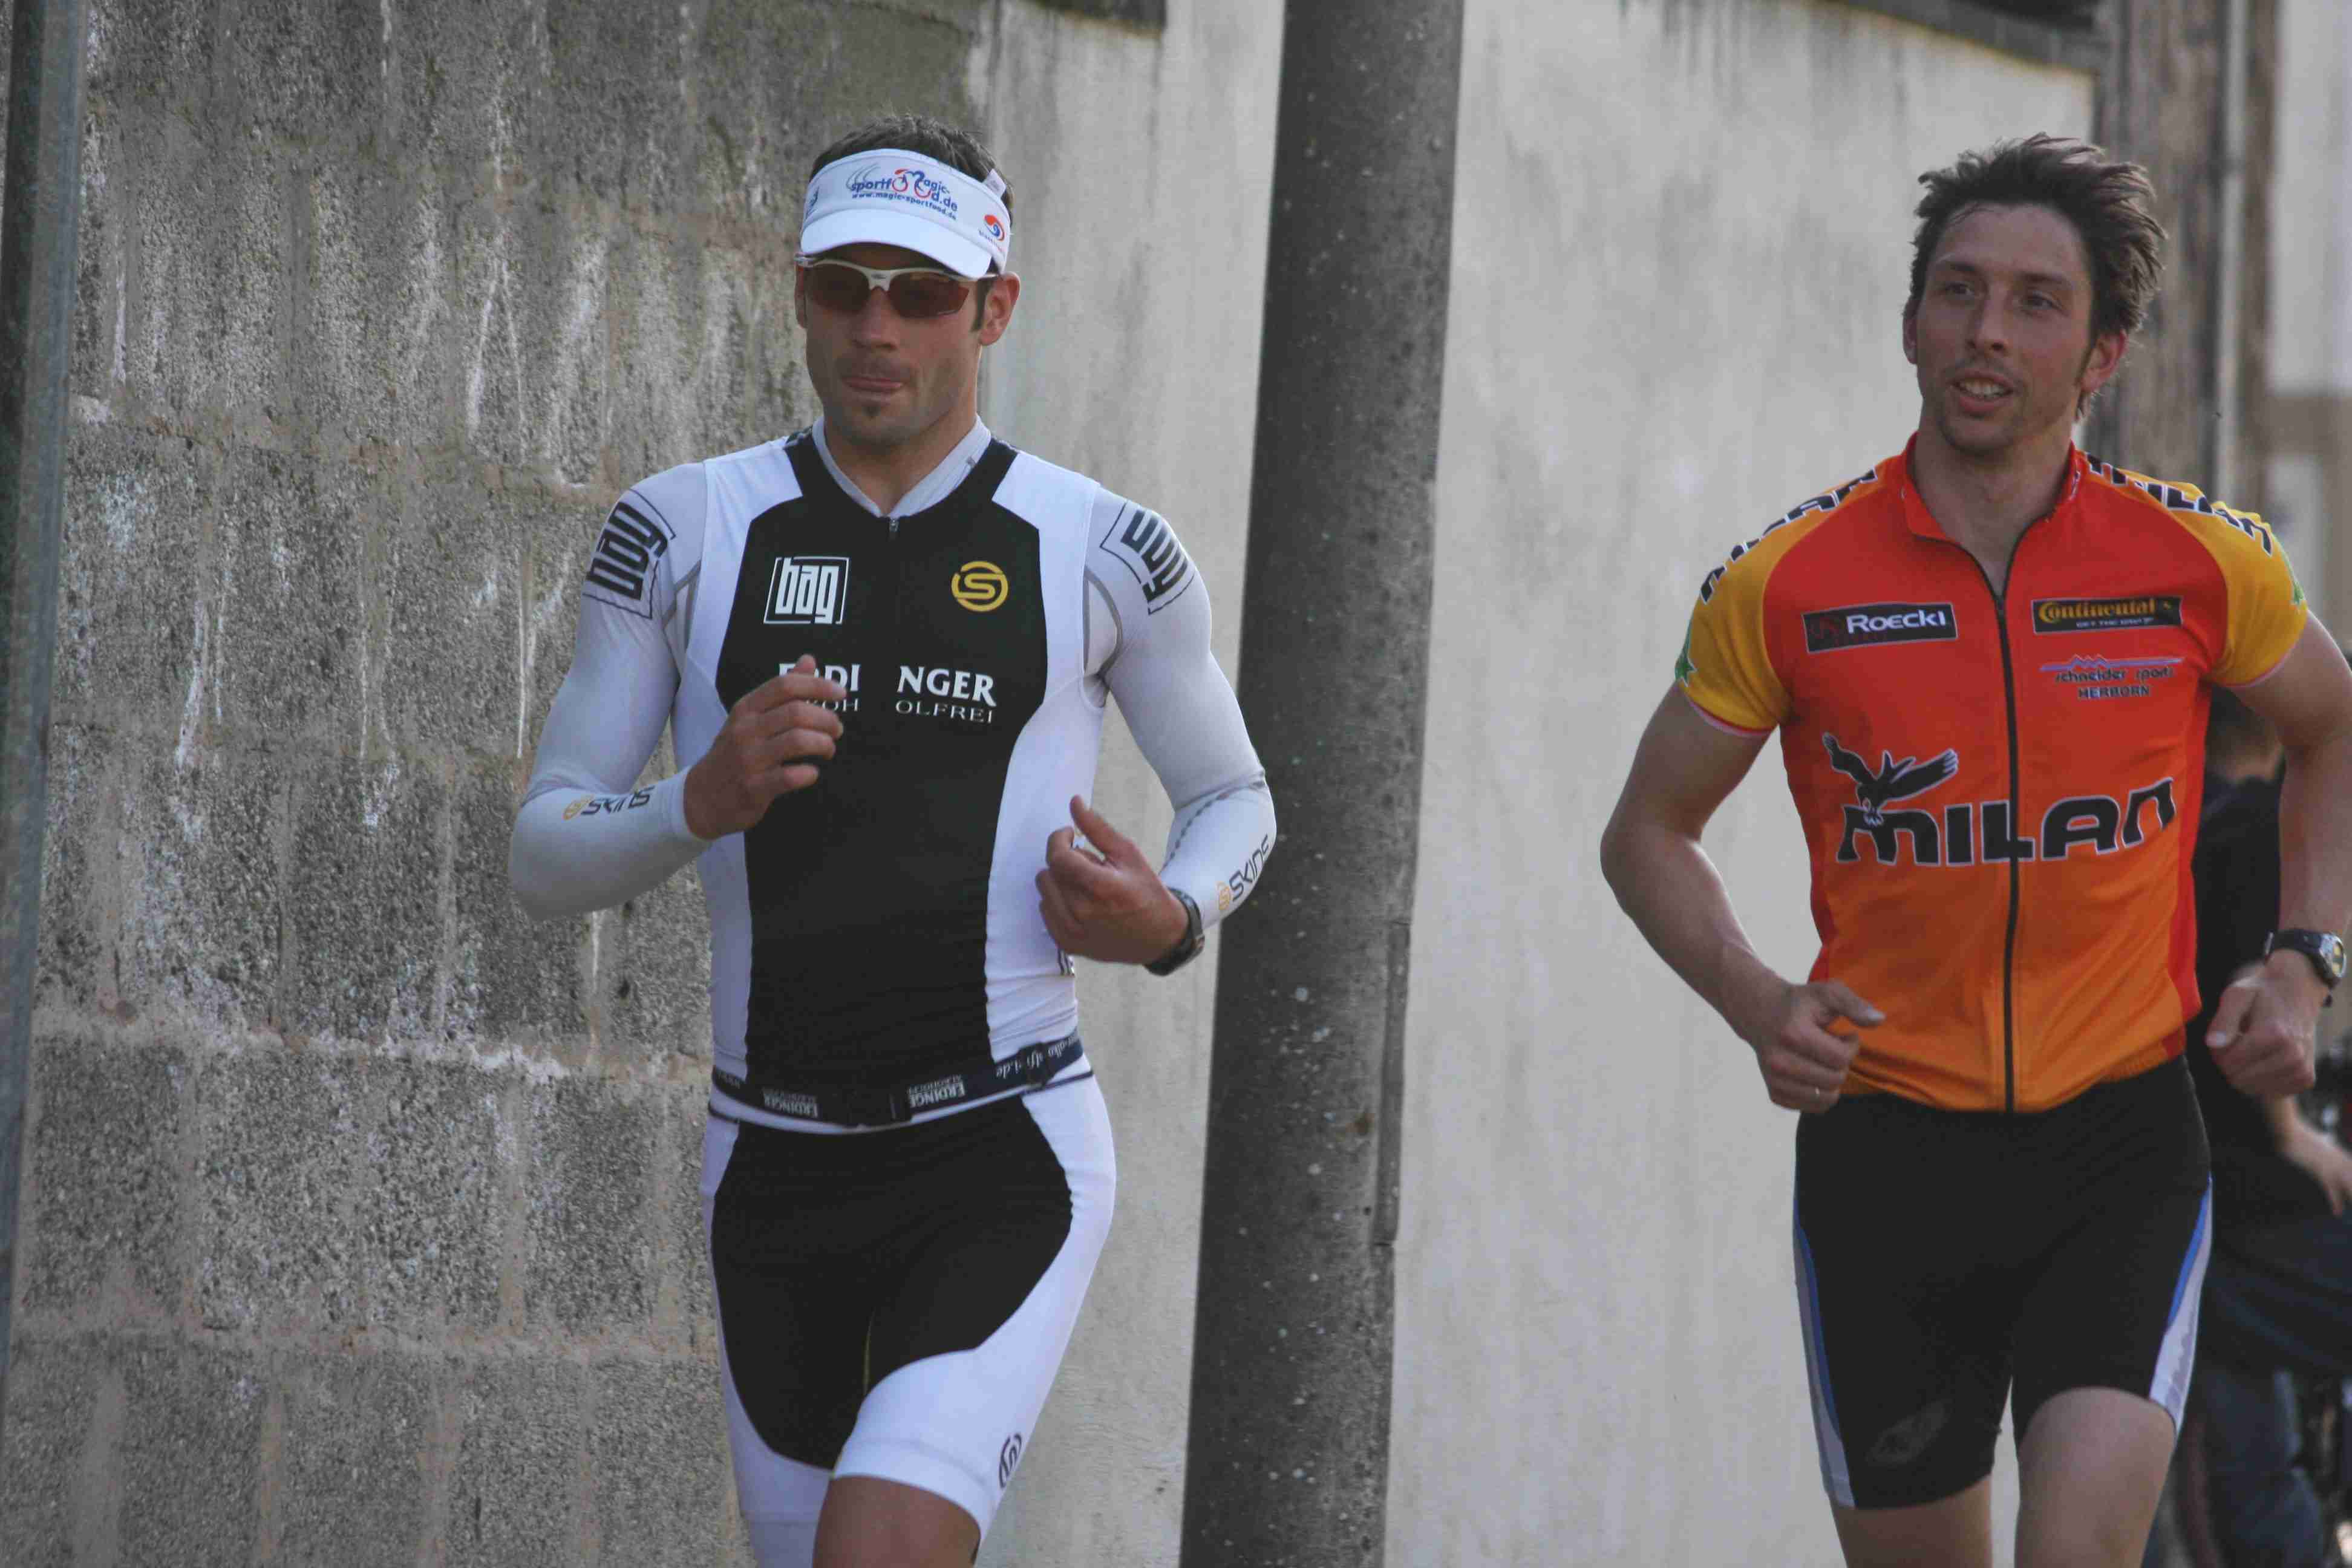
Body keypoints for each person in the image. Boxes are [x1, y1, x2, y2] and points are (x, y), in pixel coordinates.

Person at [508, 114, 1276, 1568]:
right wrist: (694, 802)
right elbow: (541, 851)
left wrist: (1173, 918)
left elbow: (1236, 797)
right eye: (841, 288)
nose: (877, 330)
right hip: (770, 1162)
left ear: (994, 309)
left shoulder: (1104, 545)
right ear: (798, 292)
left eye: (921, 295)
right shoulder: (681, 528)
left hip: (1002, 1148)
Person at [1599, 133, 2352, 1568]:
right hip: (1889, 1159)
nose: (1986, 331)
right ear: (1910, 325)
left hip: (2119, 1145)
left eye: (2034, 301)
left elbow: (2335, 729)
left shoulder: (2199, 563)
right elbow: (1648, 832)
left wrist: (2304, 962)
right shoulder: (1790, 584)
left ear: (2104, 353)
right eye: (1958, 292)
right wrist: (1758, 1002)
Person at [2175, 685, 2352, 1567]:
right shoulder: (2255, 823)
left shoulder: (2175, 821)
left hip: (2190, 1190)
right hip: (2238, 1196)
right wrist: (2290, 1136)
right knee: (2233, 1331)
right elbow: (2258, 998)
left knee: (2247, 1434)